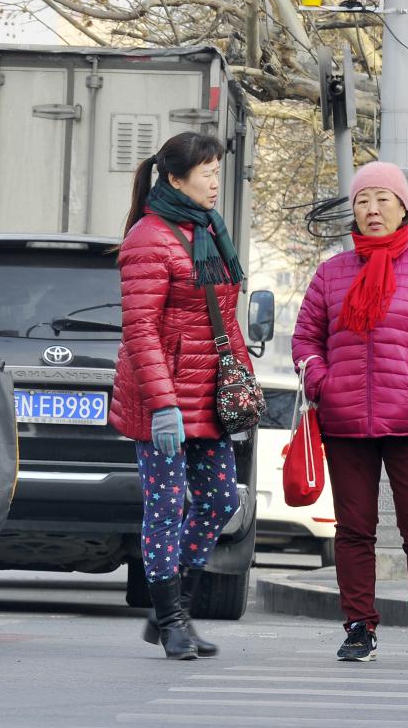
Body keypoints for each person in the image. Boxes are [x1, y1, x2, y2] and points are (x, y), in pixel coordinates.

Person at [292, 161, 408, 665]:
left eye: (382, 199)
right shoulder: (331, 274)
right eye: (362, 201)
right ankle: (357, 628)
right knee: (353, 531)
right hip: (347, 421)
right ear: (353, 210)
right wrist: (321, 380)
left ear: (402, 206)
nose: (372, 210)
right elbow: (306, 337)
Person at [108, 132, 251, 661]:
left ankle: (176, 610)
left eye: (217, 169)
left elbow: (225, 320)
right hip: (160, 400)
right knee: (166, 506)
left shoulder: (209, 229)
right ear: (174, 178)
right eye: (207, 171)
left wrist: (242, 384)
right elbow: (140, 330)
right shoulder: (149, 238)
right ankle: (169, 620)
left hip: (208, 392)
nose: (216, 180)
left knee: (218, 499)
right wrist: (165, 404)